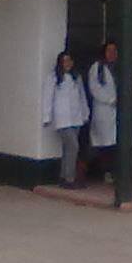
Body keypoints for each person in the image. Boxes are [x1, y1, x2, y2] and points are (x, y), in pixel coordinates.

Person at [87, 40, 132, 182]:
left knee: (121, 143)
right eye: (109, 50)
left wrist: (125, 99)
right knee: (105, 145)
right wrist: (111, 100)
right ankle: (106, 171)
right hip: (105, 109)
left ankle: (120, 172)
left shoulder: (127, 66)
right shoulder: (97, 68)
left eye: (115, 50)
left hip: (122, 109)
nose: (112, 53)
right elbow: (94, 88)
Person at [42, 51, 89, 188]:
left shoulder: (76, 77)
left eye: (70, 60)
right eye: (64, 61)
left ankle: (63, 176)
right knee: (73, 146)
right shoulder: (54, 78)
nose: (67, 64)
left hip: (76, 118)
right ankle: (70, 178)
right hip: (62, 118)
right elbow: (48, 97)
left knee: (68, 148)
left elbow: (82, 97)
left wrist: (85, 114)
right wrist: (47, 116)